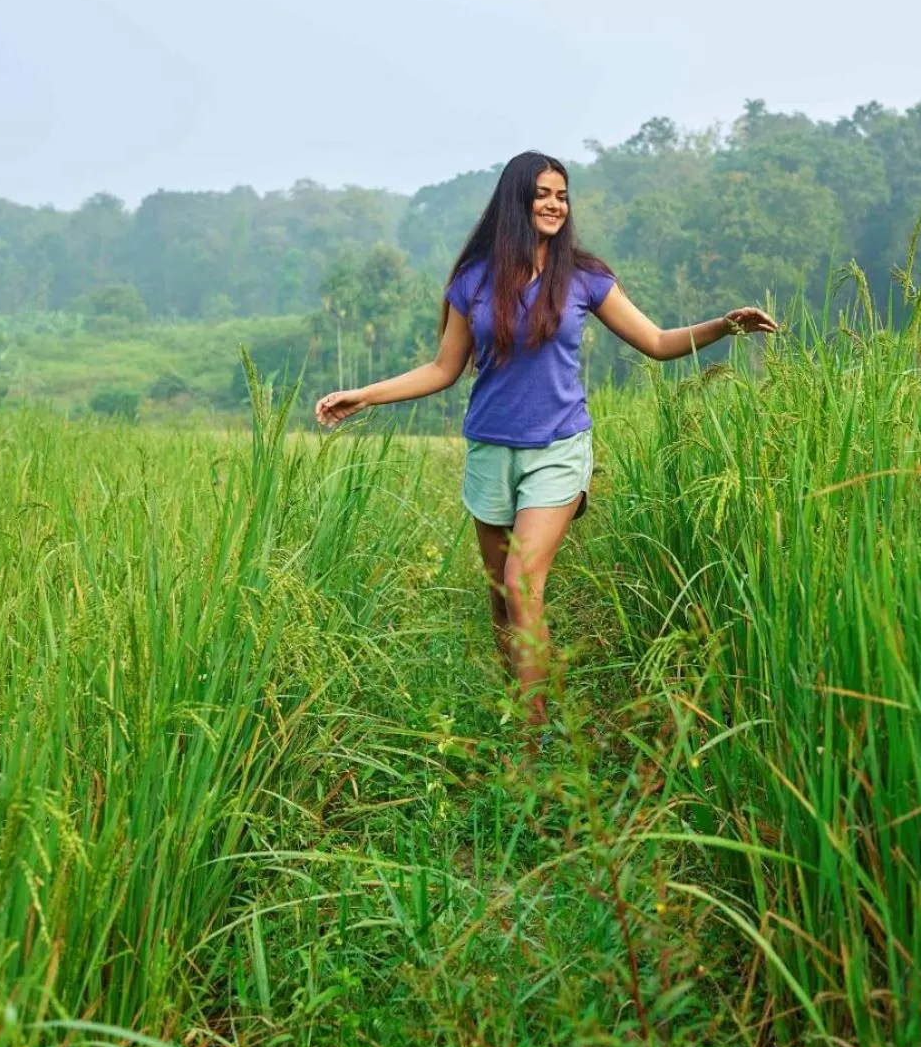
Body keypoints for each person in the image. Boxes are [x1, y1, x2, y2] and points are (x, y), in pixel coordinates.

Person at [315, 151, 776, 736]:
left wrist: (725, 326)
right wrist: (366, 394)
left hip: (558, 448)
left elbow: (657, 341)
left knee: (521, 584)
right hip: (490, 450)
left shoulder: (584, 277)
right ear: (517, 201)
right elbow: (442, 369)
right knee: (500, 602)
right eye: (543, 193)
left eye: (562, 194)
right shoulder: (472, 281)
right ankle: (521, 710)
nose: (556, 203)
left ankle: (529, 752)